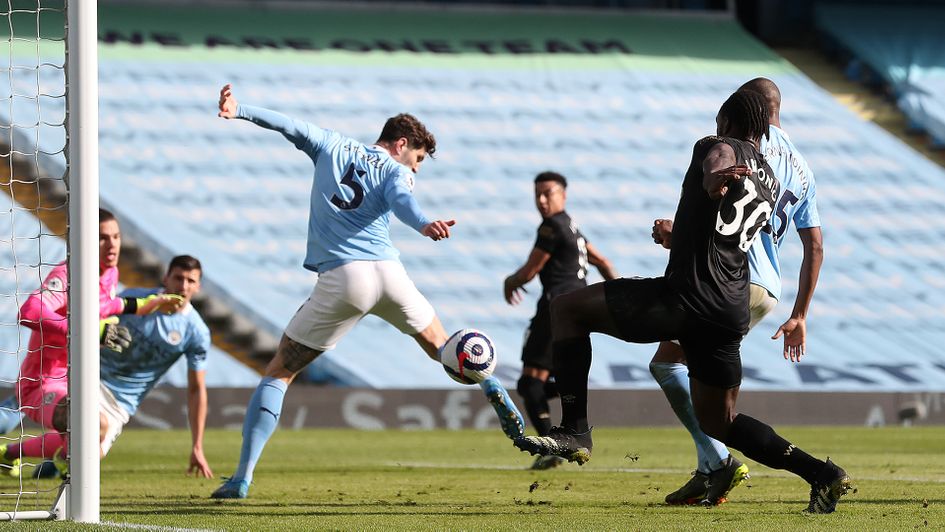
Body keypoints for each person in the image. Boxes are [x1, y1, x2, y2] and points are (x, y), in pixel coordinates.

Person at [514, 90, 852, 514]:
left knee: (566, 309)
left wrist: (714, 177)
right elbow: (721, 236)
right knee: (721, 421)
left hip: (686, 298)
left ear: (727, 121)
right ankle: (821, 474)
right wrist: (681, 232)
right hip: (728, 309)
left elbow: (717, 165)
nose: (715, 128)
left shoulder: (717, 146)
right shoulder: (768, 177)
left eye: (718, 121)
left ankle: (574, 430)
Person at [211, 84, 525, 499]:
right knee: (443, 348)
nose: (414, 170)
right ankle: (489, 383)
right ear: (401, 144)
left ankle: (242, 477)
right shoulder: (395, 171)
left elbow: (289, 125)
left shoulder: (330, 143)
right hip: (390, 275)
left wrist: (240, 110)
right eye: (417, 160)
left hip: (345, 277)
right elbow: (401, 200)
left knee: (280, 372)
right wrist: (423, 223)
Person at [649, 77, 824, 506]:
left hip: (729, 277)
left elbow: (726, 212)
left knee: (668, 366)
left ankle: (718, 461)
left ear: (749, 111)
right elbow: (815, 245)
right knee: (702, 384)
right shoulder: (803, 168)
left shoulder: (745, 146)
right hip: (767, 289)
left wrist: (679, 234)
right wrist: (800, 314)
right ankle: (709, 465)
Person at [0, 209, 182, 477]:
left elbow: (105, 303)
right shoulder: (67, 274)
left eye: (116, 237)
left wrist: (144, 305)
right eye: (102, 238)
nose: (112, 245)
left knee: (97, 430)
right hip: (41, 382)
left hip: (76, 378)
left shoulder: (110, 273)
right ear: (85, 240)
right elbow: (29, 311)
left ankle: (12, 455)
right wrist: (90, 331)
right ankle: (67, 473)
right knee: (90, 426)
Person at [504, 171, 617, 470]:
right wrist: (619, 295)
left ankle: (551, 447)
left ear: (563, 195)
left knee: (530, 384)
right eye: (537, 195)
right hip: (580, 309)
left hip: (556, 308)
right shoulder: (573, 228)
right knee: (543, 383)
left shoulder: (552, 226)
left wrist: (509, 282)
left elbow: (528, 272)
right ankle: (570, 412)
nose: (542, 201)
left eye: (548, 194)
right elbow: (603, 261)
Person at [99, 255, 213, 477]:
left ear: (198, 287)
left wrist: (197, 446)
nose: (183, 286)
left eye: (190, 281)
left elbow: (196, 389)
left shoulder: (196, 332)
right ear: (166, 278)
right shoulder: (134, 298)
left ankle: (51, 462)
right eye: (178, 278)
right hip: (89, 377)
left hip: (121, 401)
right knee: (77, 431)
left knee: (92, 453)